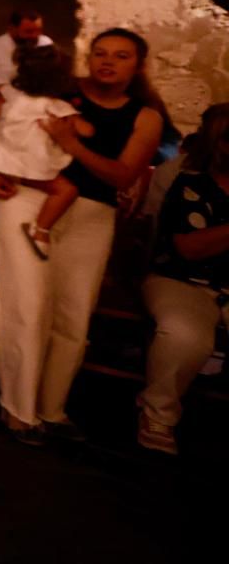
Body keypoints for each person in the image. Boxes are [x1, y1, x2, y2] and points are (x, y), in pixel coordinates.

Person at [0, 27, 165, 444]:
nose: (107, 62)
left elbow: (122, 174)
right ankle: (19, 411)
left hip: (91, 214)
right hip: (25, 198)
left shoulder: (145, 116)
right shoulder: (57, 88)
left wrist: (70, 143)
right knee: (26, 304)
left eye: (120, 56)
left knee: (72, 317)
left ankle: (51, 408)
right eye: (100, 53)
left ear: (138, 65)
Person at [135, 104, 227, 455]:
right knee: (185, 333)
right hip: (182, 278)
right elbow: (189, 247)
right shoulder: (188, 181)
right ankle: (159, 413)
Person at [0, 45, 90, 260]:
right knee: (66, 191)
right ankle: (40, 229)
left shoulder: (14, 97)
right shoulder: (53, 105)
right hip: (29, 166)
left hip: (4, 161)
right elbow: (87, 130)